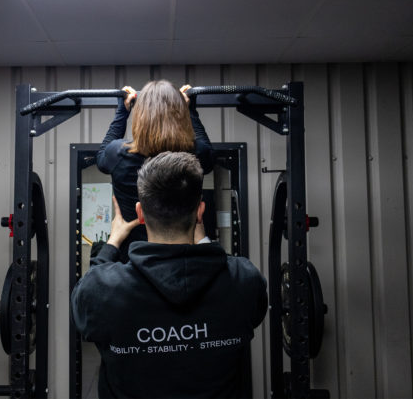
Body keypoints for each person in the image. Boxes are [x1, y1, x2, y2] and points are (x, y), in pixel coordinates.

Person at [71, 152, 268, 399]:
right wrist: (205, 244)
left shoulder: (102, 289)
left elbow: (82, 302)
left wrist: (111, 244)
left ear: (140, 214)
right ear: (200, 212)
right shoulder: (244, 279)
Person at [96, 80, 214, 262]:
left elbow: (102, 157)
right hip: (185, 258)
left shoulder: (119, 153)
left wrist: (122, 111)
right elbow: (208, 154)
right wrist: (190, 111)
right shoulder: (196, 153)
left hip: (132, 259)